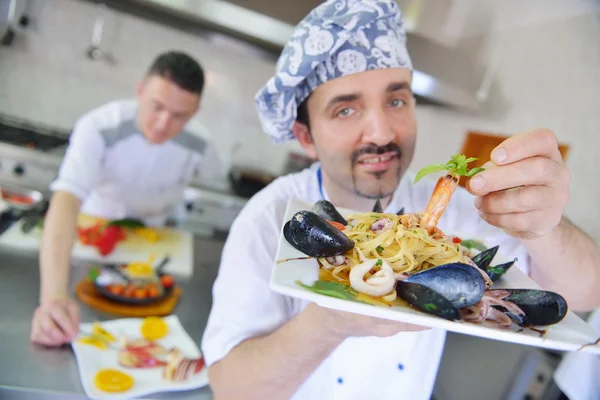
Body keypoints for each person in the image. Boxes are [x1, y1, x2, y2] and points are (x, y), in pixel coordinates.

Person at [201, 1, 600, 399]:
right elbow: (231, 388)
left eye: (396, 101)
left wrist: (545, 226)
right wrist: (329, 323)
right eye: (345, 110)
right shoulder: (267, 217)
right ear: (305, 137)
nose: (380, 132)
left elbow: (585, 293)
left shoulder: (456, 209)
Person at [30, 50, 224, 347]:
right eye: (156, 107)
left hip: (153, 249)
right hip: (92, 241)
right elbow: (66, 200)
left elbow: (216, 181)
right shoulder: (98, 127)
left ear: (195, 112)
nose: (162, 124)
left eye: (179, 116)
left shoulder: (201, 143)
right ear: (140, 91)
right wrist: (53, 298)